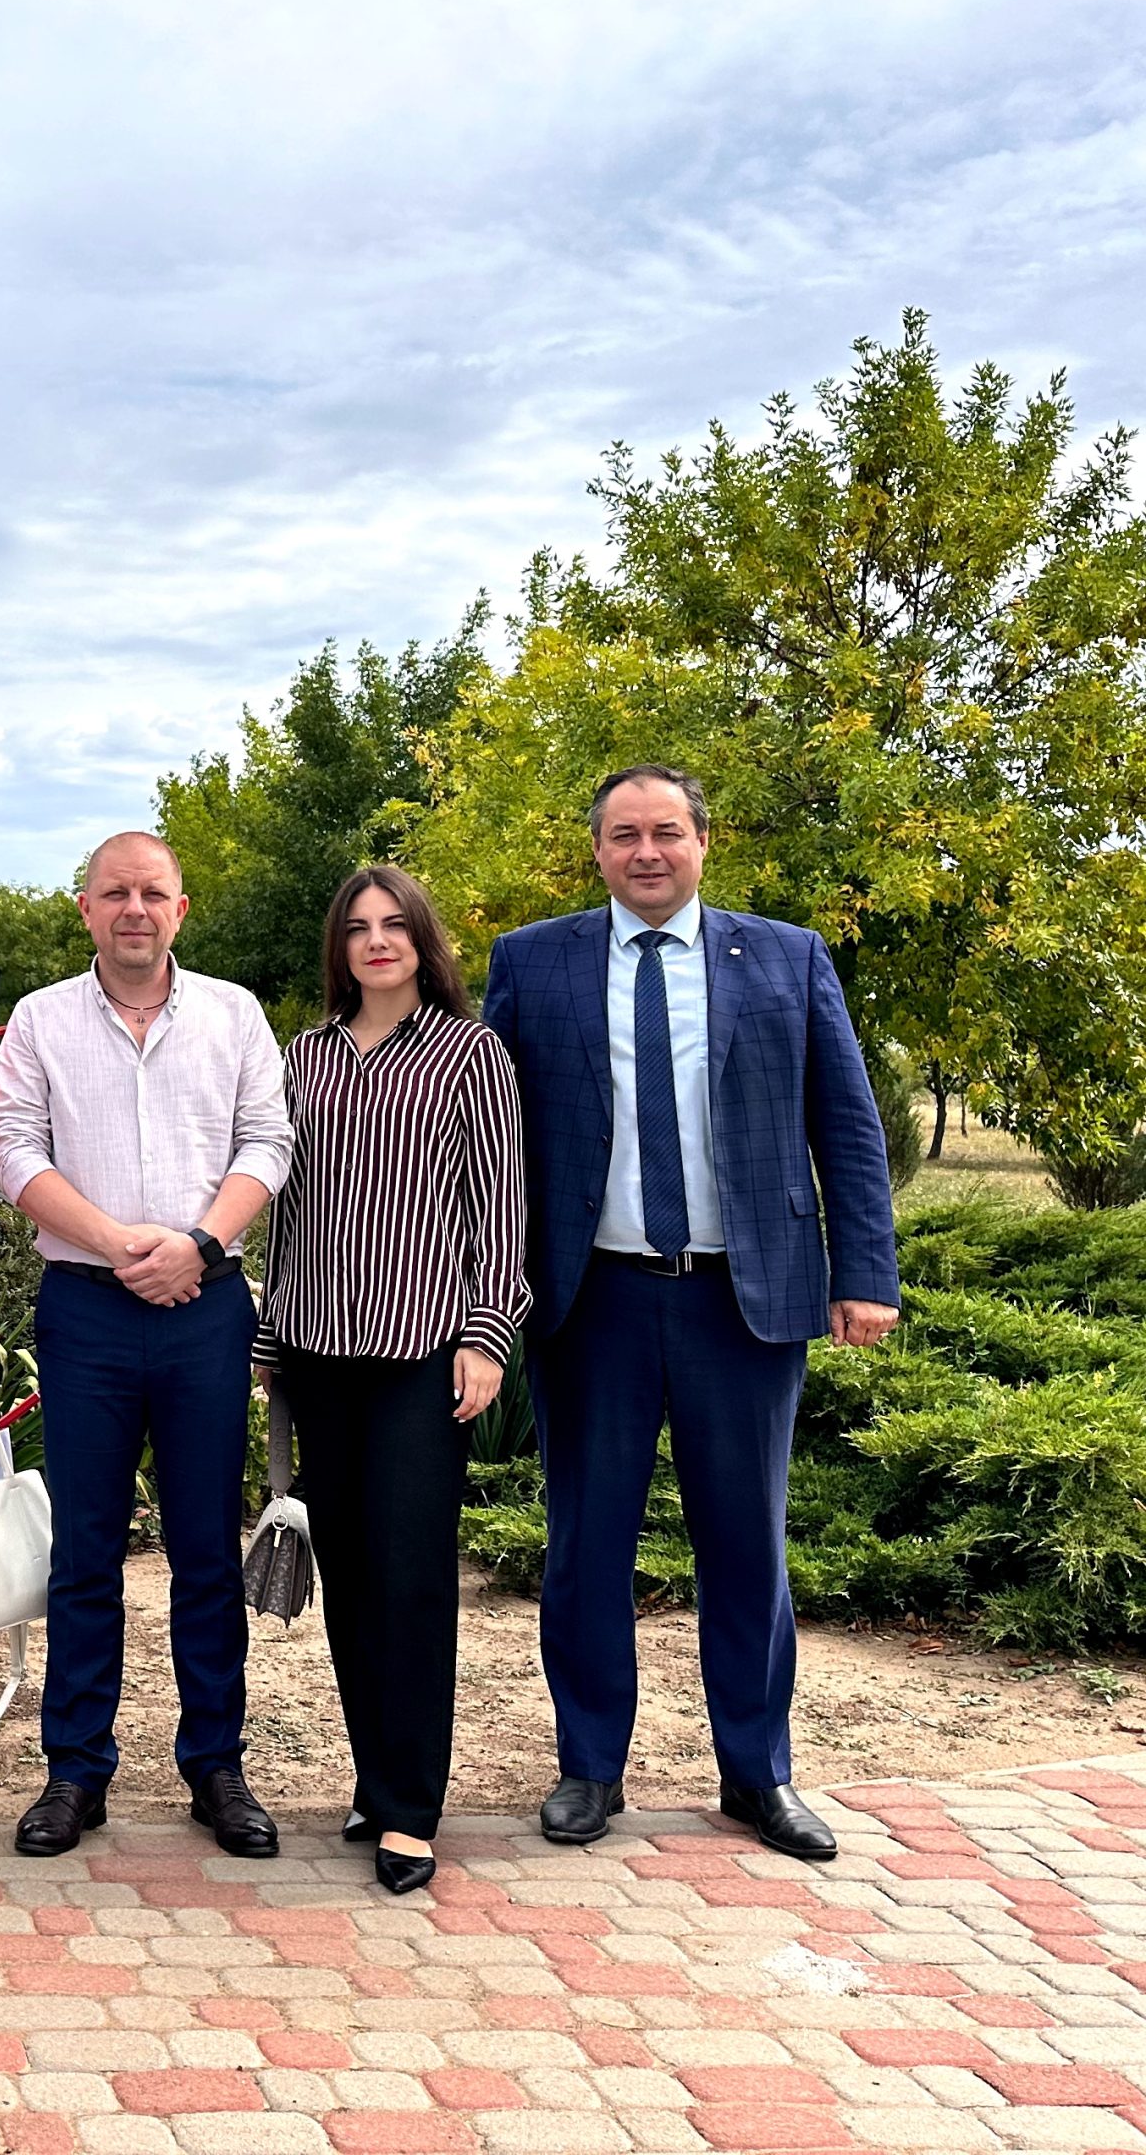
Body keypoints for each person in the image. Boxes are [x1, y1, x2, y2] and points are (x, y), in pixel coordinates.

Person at [483, 766, 900, 1859]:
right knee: (586, 1543)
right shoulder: (533, 960)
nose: (646, 852)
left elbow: (847, 1122)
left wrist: (865, 1272)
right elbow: (487, 1133)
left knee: (746, 1544)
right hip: (592, 1298)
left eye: (666, 831)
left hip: (741, 1298)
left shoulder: (788, 956)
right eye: (624, 834)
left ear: (703, 842)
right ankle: (589, 1767)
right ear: (597, 851)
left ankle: (757, 1774)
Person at [0, 831, 293, 1859]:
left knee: (205, 1549)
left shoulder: (234, 1013)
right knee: (85, 1552)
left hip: (207, 1305)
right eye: (114, 892)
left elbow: (268, 1141)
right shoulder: (41, 1019)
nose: (134, 909)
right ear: (85, 907)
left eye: (152, 893)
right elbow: (13, 1149)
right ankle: (75, 1770)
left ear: (180, 908)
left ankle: (216, 1765)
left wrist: (196, 1245)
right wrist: (122, 1244)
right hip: (88, 1307)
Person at [258, 865, 528, 1894]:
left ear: (422, 940)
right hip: (318, 1353)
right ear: (339, 947)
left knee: (411, 1578)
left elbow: (501, 1208)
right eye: (357, 927)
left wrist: (487, 1334)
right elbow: (286, 1209)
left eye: (394, 925)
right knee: (351, 1579)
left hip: (424, 1354)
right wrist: (269, 1339)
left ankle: (412, 1809)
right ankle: (374, 1779)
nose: (376, 941)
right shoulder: (302, 1058)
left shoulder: (471, 1053)